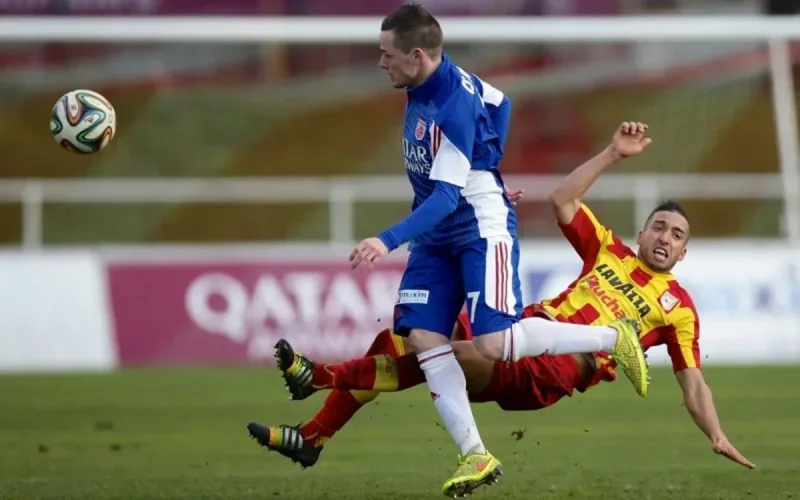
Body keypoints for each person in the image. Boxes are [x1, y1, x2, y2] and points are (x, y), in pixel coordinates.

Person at [247, 121, 755, 472]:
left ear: (683, 253)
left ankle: (323, 377)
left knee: (448, 354)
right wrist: (613, 154)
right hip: (520, 326)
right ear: (641, 235)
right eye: (659, 228)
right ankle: (312, 437)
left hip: (557, 367)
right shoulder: (608, 251)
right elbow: (562, 200)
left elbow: (694, 384)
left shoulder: (679, 310)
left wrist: (715, 433)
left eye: (677, 235)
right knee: (406, 338)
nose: (666, 238)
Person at [341, 4, 647, 496]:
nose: (381, 63)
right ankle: (476, 456)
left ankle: (613, 339)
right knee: (423, 339)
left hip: (477, 228)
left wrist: (386, 239)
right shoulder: (438, 80)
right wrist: (488, 165)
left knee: (493, 345)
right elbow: (502, 102)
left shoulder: (452, 106)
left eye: (386, 55)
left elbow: (444, 197)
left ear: (416, 56)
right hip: (438, 235)